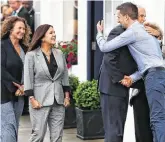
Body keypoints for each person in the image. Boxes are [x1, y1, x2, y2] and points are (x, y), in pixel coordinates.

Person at [96, 2, 165, 142]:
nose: (117, 20)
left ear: (127, 17)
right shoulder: (143, 34)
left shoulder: (133, 32)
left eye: (119, 16)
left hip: (152, 77)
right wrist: (129, 78)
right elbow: (146, 64)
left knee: (157, 119)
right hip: (150, 77)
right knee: (156, 118)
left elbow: (104, 47)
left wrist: (99, 33)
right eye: (141, 16)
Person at [24, 24, 70, 142]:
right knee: (38, 135)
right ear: (42, 37)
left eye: (54, 32)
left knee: (57, 137)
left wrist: (67, 96)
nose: (54, 35)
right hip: (39, 101)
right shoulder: (31, 55)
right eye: (51, 33)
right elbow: (28, 78)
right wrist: (32, 99)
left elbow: (64, 76)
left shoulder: (59, 53)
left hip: (58, 100)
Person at [1, 16, 31, 142]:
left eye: (24, 29)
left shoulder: (24, 48)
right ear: (10, 29)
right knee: (8, 127)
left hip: (20, 94)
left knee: (14, 127)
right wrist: (16, 84)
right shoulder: (2, 45)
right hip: (4, 93)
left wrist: (25, 86)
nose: (22, 31)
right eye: (19, 28)